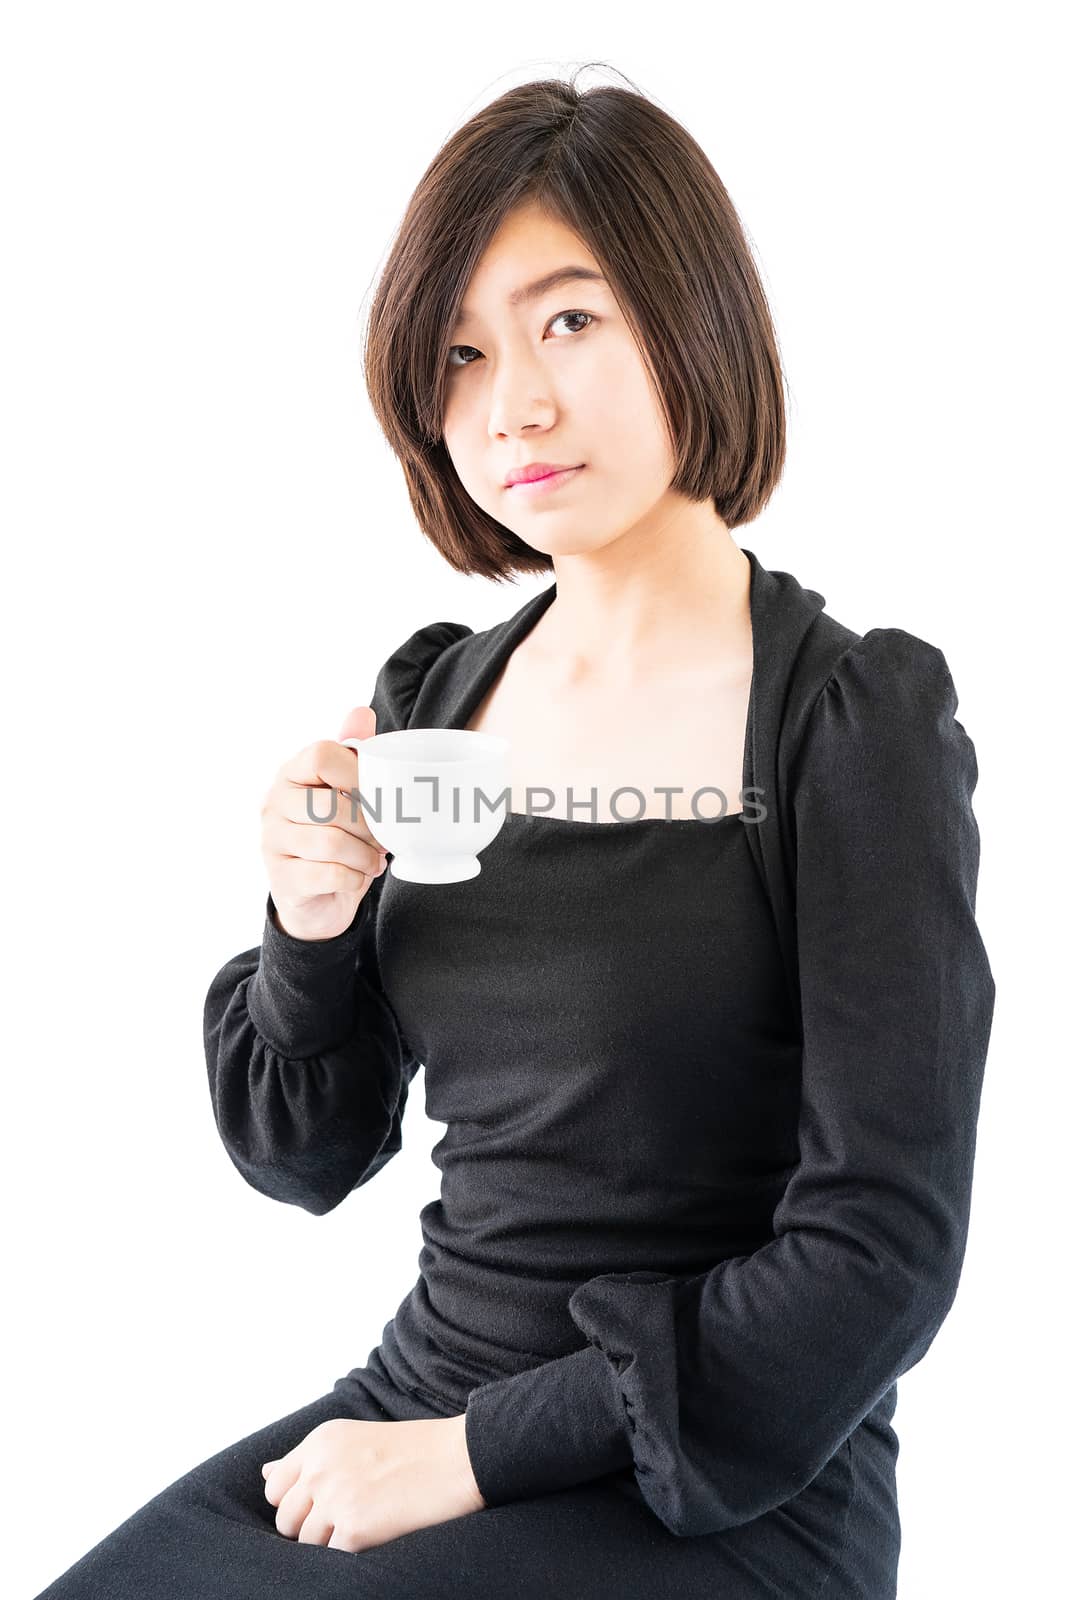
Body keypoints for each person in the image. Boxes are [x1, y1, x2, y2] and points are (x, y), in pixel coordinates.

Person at [35, 70, 995, 1600]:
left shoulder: (846, 722)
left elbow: (877, 1256)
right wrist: (308, 923)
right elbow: (306, 1155)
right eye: (461, 355)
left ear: (692, 320)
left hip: (715, 1478)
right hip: (412, 1405)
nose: (514, 407)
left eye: (569, 321)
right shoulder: (435, 696)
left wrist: (476, 1452)